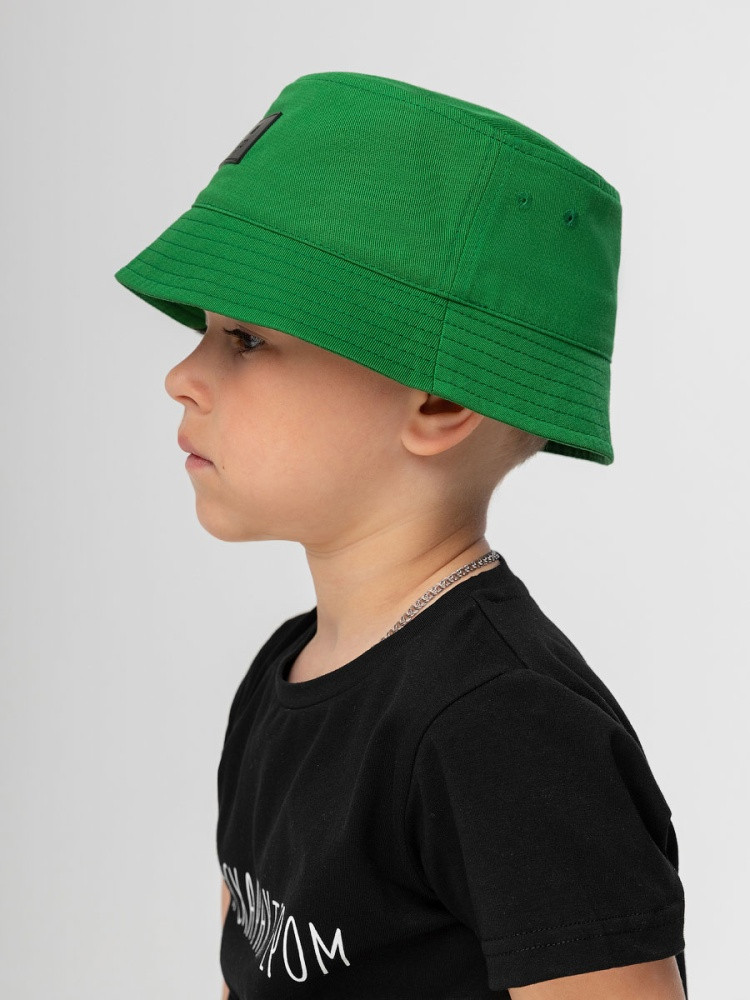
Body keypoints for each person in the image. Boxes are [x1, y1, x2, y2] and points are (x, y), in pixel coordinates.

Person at [114, 71, 687, 1000]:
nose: (182, 374)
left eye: (246, 339)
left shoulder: (507, 730)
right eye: (205, 332)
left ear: (439, 399)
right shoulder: (285, 674)